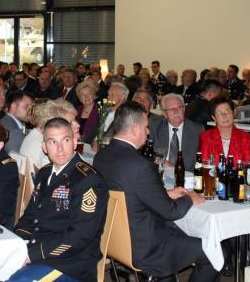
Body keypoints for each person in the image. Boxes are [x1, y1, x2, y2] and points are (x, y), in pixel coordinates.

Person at [93, 102, 219, 282]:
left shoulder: (102, 157)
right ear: (135, 129)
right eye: (146, 127)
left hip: (114, 239)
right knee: (212, 252)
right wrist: (190, 198)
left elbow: (128, 193)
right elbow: (170, 211)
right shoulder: (140, 165)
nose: (148, 132)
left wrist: (166, 194)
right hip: (147, 247)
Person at [5, 118, 108, 282]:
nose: (60, 149)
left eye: (65, 140)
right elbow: (31, 216)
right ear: (44, 147)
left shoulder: (88, 180)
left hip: (70, 264)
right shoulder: (44, 173)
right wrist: (17, 244)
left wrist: (31, 255)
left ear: (74, 142)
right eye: (52, 142)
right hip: (37, 249)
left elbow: (79, 237)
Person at [20, 99, 80, 170]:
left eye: (75, 120)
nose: (78, 125)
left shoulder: (37, 137)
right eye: (70, 123)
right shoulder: (54, 154)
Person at [152, 93, 204, 172]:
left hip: (186, 176)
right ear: (165, 114)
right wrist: (162, 162)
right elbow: (146, 153)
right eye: (172, 109)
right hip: (159, 174)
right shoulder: (154, 127)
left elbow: (203, 159)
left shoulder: (197, 130)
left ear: (184, 109)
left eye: (179, 107)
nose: (176, 112)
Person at [198, 96, 250, 163]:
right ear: (213, 117)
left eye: (227, 112)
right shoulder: (205, 137)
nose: (224, 116)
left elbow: (248, 166)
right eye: (220, 113)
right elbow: (205, 163)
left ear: (233, 113)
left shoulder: (246, 138)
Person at [75, 80, 101, 144]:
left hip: (92, 146)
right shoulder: (75, 111)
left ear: (94, 95)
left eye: (89, 93)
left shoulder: (101, 111)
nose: (86, 97)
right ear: (79, 98)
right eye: (82, 95)